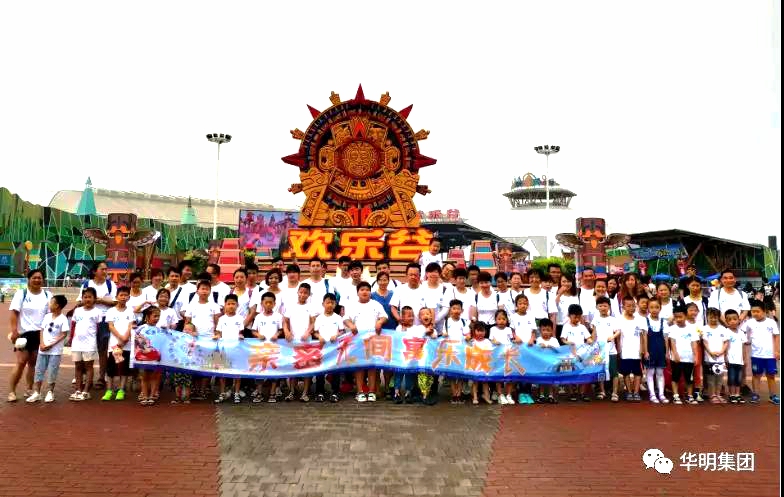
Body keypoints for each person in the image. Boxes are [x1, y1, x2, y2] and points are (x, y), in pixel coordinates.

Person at [8, 269, 52, 402]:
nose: (37, 280)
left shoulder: (47, 295)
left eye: (40, 278)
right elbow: (14, 313)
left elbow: (51, 315)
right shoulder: (21, 294)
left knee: (33, 363)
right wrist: (14, 331)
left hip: (40, 334)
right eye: (34, 278)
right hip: (24, 334)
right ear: (29, 279)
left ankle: (29, 389)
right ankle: (11, 391)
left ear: (43, 280)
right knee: (21, 362)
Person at [343, 281, 388, 402]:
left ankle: (372, 392)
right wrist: (351, 325)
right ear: (357, 292)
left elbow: (385, 316)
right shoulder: (352, 305)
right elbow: (345, 319)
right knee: (359, 367)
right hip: (358, 341)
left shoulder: (375, 304)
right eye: (362, 290)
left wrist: (380, 322)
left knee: (371, 367)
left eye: (367, 290)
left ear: (370, 292)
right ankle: (360, 391)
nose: (365, 292)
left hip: (373, 340)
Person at [76, 261, 117, 390]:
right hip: (87, 320)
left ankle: (101, 377)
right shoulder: (86, 284)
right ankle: (84, 377)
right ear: (95, 271)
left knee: (102, 350)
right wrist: (90, 301)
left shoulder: (110, 285)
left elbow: (115, 302)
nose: (105, 272)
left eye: (106, 269)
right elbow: (79, 301)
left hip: (104, 320)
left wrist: (100, 300)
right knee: (86, 348)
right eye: (102, 269)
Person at [26, 294, 68, 403]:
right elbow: (42, 330)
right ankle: (37, 392)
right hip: (43, 349)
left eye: (51, 302)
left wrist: (51, 345)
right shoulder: (47, 316)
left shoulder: (63, 319)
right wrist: (42, 343)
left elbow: (64, 334)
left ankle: (50, 392)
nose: (49, 304)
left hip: (55, 351)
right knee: (39, 370)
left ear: (57, 305)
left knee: (52, 371)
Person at [184, 280, 221, 400]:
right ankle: (194, 389)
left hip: (209, 340)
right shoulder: (191, 306)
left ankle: (203, 389)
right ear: (197, 291)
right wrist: (188, 335)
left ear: (210, 291)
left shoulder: (214, 306)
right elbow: (187, 323)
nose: (204, 291)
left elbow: (217, 323)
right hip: (194, 340)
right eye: (202, 289)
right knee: (194, 364)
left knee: (206, 365)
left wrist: (217, 334)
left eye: (207, 289)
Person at [283, 283, 318, 402]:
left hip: (306, 341)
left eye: (305, 293)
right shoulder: (291, 306)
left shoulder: (311, 307)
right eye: (301, 292)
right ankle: (292, 391)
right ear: (297, 292)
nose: (303, 295)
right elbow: (285, 321)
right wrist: (286, 332)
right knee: (293, 366)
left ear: (309, 294)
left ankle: (305, 392)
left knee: (306, 367)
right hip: (293, 342)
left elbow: (313, 322)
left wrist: (308, 332)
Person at [743, 299, 780, 404]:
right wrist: (746, 340)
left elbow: (776, 336)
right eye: (753, 311)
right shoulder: (749, 322)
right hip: (756, 355)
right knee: (756, 375)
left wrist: (777, 351)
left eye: (757, 311)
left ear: (764, 311)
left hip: (770, 355)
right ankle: (755, 395)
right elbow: (742, 332)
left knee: (771, 376)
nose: (755, 313)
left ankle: (773, 396)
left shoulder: (771, 322)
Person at [250, 292, 283, 403]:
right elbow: (253, 330)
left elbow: (281, 329)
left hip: (274, 348)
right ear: (262, 303)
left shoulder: (278, 316)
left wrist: (277, 334)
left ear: (274, 304)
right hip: (261, 348)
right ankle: (259, 393)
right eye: (266, 302)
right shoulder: (258, 317)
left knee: (274, 371)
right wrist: (258, 335)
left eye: (270, 302)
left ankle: (272, 393)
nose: (268, 304)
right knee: (260, 370)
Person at [102, 286, 135, 401]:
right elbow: (111, 326)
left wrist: (125, 338)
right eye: (121, 295)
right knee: (111, 368)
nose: (123, 297)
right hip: (114, 345)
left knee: (124, 368)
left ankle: (121, 390)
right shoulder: (111, 311)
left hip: (127, 344)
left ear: (129, 297)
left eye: (126, 295)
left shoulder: (130, 311)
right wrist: (121, 338)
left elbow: (131, 325)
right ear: (116, 297)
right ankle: (109, 390)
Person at [214, 294, 245, 404]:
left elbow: (241, 332)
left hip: (236, 350)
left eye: (233, 304)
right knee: (222, 373)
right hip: (224, 350)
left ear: (237, 305)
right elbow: (219, 333)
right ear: (225, 305)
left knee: (237, 372)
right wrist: (217, 336)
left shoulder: (240, 318)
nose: (231, 306)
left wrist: (241, 336)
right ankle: (222, 393)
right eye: (228, 304)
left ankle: (236, 393)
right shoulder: (221, 319)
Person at [313, 293, 344, 403]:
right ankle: (319, 392)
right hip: (322, 349)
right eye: (328, 302)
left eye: (332, 303)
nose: (330, 305)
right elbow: (315, 332)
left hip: (335, 349)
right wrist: (319, 337)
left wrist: (337, 335)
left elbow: (342, 331)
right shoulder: (319, 318)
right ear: (323, 304)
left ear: (335, 304)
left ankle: (335, 392)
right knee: (320, 371)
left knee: (335, 371)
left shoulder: (338, 318)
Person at [560, 304, 594, 402]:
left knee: (584, 372)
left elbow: (588, 338)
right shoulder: (566, 326)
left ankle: (582, 393)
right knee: (568, 372)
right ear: (569, 315)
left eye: (579, 317)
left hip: (582, 354)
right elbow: (563, 339)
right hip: (569, 353)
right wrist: (568, 342)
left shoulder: (582, 327)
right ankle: (571, 393)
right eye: (575, 317)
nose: (577, 319)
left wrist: (590, 341)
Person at [668, 304, 700, 405]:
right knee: (675, 377)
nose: (678, 319)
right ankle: (675, 395)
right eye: (676, 317)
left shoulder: (691, 328)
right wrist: (675, 354)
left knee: (689, 379)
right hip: (676, 359)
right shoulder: (673, 328)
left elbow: (694, 343)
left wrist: (696, 356)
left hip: (689, 358)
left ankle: (689, 396)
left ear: (685, 316)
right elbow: (672, 342)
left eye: (680, 317)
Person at [489, 309, 521, 405]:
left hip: (509, 356)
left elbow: (512, 340)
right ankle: (500, 395)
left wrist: (517, 340)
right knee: (498, 376)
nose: (501, 321)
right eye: (499, 319)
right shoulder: (493, 329)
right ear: (495, 320)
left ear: (507, 320)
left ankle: (508, 394)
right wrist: (495, 342)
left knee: (509, 375)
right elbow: (491, 340)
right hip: (498, 357)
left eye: (503, 319)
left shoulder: (509, 329)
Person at [592, 296, 620, 401]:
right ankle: (602, 391)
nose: (603, 308)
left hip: (611, 350)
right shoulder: (595, 319)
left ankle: (615, 392)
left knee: (614, 372)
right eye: (600, 306)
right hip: (599, 350)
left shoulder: (613, 319)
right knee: (600, 371)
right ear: (597, 307)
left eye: (605, 306)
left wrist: (613, 336)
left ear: (609, 307)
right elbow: (594, 333)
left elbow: (618, 331)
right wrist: (592, 343)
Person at [641, 299, 669, 404]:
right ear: (648, 309)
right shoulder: (645, 321)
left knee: (660, 373)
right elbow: (644, 337)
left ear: (660, 308)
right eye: (651, 307)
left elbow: (666, 338)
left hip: (660, 350)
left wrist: (667, 352)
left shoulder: (663, 321)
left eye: (657, 307)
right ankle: (652, 394)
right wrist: (646, 351)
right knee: (650, 372)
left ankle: (661, 394)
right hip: (650, 350)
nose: (654, 310)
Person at [443, 299, 470, 404]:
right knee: (452, 375)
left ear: (462, 310)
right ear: (450, 310)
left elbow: (467, 334)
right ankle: (454, 394)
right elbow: (444, 333)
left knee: (461, 374)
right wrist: (444, 334)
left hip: (461, 352)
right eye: (454, 308)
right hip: (450, 352)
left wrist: (468, 336)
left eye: (458, 308)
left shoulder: (464, 322)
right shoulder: (447, 321)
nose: (456, 311)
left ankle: (459, 393)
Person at [618, 296, 644, 402]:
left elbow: (642, 336)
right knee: (626, 372)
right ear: (623, 307)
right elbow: (618, 336)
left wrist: (642, 349)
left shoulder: (639, 319)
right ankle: (629, 392)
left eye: (633, 306)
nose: (631, 308)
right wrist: (619, 349)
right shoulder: (620, 319)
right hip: (625, 351)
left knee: (638, 372)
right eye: (628, 306)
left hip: (636, 351)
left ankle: (636, 392)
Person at [701, 307, 729, 404]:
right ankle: (712, 395)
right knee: (711, 379)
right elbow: (704, 342)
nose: (713, 319)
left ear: (718, 317)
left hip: (720, 358)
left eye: (715, 317)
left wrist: (721, 352)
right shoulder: (704, 329)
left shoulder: (723, 329)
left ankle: (718, 394)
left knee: (720, 378)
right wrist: (710, 352)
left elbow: (726, 342)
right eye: (711, 317)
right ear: (707, 317)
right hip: (709, 358)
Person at [394, 306, 421, 404]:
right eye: (409, 316)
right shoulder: (398, 328)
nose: (411, 318)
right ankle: (396, 393)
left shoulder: (416, 328)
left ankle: (408, 393)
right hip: (400, 357)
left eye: (412, 316)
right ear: (402, 317)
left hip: (411, 357)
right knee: (398, 374)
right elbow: (398, 339)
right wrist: (403, 330)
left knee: (410, 375)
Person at [136, 306, 162, 405]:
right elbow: (135, 338)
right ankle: (145, 396)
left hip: (155, 357)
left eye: (158, 316)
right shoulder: (141, 328)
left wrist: (166, 331)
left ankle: (152, 396)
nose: (157, 318)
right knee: (144, 376)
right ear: (147, 316)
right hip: (143, 357)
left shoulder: (160, 329)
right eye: (155, 316)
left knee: (154, 376)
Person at [723, 309, 748, 404]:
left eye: (734, 319)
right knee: (732, 378)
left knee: (739, 378)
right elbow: (725, 346)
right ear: (726, 322)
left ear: (738, 320)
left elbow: (743, 347)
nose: (733, 321)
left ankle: (737, 394)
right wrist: (725, 358)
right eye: (729, 320)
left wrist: (744, 359)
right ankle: (732, 395)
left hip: (740, 360)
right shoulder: (726, 332)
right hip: (731, 360)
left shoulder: (741, 332)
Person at [467, 321, 492, 405]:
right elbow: (468, 350)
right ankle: (475, 397)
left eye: (482, 331)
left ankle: (486, 396)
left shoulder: (487, 341)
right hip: (475, 365)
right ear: (474, 331)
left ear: (485, 331)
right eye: (478, 330)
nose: (480, 333)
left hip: (484, 365)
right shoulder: (472, 341)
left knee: (485, 382)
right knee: (475, 382)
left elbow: (490, 352)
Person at [535, 318, 560, 403]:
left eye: (548, 330)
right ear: (540, 330)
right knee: (541, 379)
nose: (545, 332)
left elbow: (559, 350)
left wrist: (552, 347)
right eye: (543, 330)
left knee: (551, 379)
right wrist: (539, 347)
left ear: (552, 331)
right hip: (541, 364)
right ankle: (541, 395)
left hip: (552, 364)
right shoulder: (538, 340)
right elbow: (534, 351)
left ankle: (551, 395)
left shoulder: (554, 340)